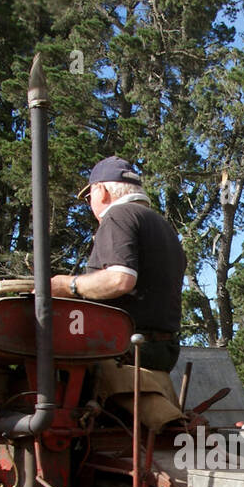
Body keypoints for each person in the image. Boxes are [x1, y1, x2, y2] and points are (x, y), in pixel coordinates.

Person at [50, 156, 186, 373]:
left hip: (123, 349)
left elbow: (120, 279)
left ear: (101, 190)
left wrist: (68, 285)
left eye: (88, 197)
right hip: (161, 350)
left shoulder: (118, 215)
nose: (89, 205)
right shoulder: (163, 227)